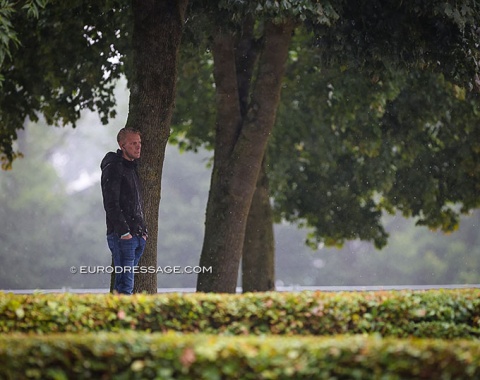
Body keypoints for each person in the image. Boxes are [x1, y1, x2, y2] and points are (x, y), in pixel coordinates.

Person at [100, 127, 148, 294]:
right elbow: (111, 203)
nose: (138, 146)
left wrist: (143, 232)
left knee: (125, 285)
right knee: (125, 288)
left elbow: (136, 202)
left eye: (139, 143)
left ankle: (118, 316)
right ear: (122, 145)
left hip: (137, 235)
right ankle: (119, 319)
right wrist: (124, 233)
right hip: (122, 236)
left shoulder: (132, 167)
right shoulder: (114, 167)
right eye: (133, 143)